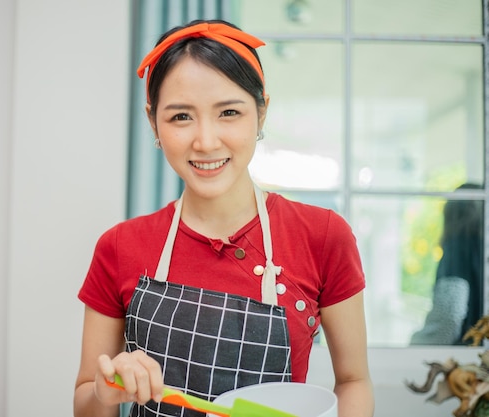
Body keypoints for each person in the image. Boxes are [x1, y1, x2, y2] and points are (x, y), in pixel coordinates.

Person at [74, 19, 374, 417]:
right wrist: (105, 391)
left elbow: (354, 380)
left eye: (229, 112)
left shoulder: (323, 236)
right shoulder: (118, 246)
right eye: (181, 117)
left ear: (261, 113)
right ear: (154, 123)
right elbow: (86, 401)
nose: (206, 141)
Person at [410, 183, 483, 345]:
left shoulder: (458, 250)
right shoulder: (482, 250)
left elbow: (449, 316)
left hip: (466, 360)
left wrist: (414, 345)